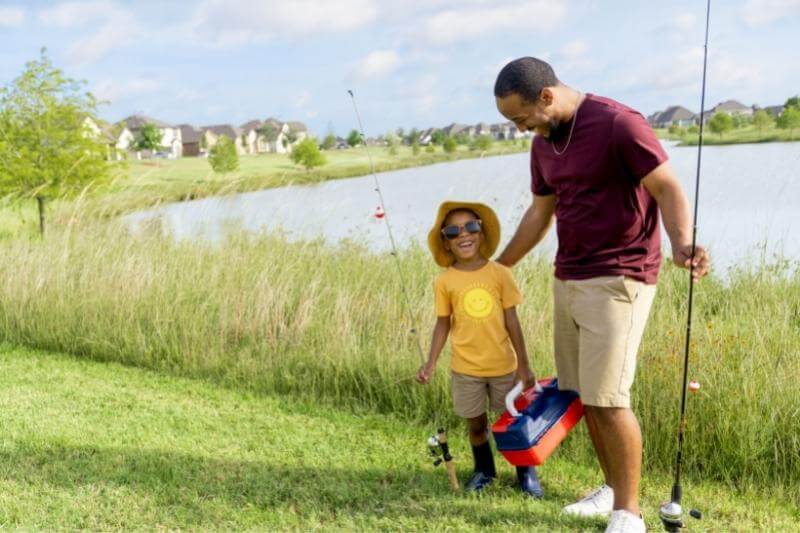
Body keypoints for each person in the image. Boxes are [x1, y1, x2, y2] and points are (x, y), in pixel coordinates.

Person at [493, 57, 710, 533]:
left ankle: (629, 514)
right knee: (585, 395)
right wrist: (498, 266)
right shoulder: (543, 143)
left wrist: (681, 242)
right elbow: (540, 212)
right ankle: (611, 491)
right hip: (568, 276)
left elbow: (668, 186)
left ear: (546, 97)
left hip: (620, 277)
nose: (519, 127)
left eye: (520, 117)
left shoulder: (617, 123)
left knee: (610, 398)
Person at [416, 200, 541, 496]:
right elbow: (443, 324)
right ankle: (484, 471)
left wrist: (524, 365)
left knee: (513, 422)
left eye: (471, 226)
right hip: (465, 369)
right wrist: (430, 363)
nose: (464, 235)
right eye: (453, 231)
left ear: (482, 233)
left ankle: (526, 474)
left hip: (504, 367)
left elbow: (513, 322)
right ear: (446, 243)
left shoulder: (500, 274)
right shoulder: (444, 281)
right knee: (476, 426)